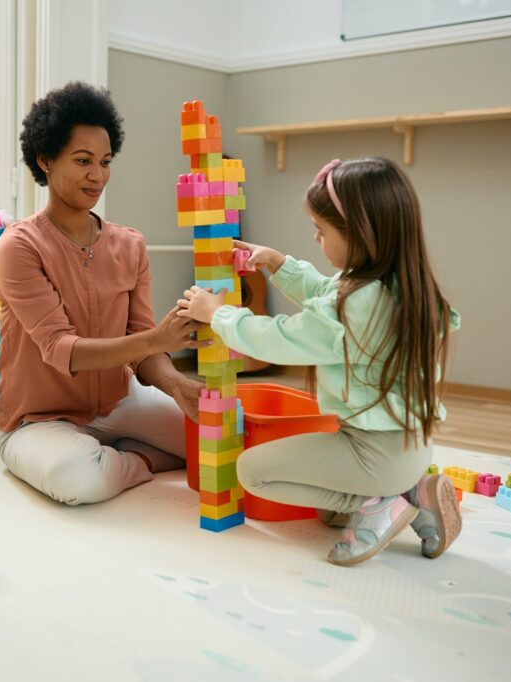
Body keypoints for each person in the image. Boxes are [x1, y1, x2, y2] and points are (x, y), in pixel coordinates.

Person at [178, 157, 461, 566]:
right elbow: (328, 293)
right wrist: (277, 264)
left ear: (359, 234)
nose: (316, 239)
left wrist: (218, 315)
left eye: (320, 231)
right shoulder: (402, 286)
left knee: (252, 472)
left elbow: (279, 339)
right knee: (324, 492)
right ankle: (410, 490)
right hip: (412, 447)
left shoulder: (355, 307)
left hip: (374, 455)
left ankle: (379, 504)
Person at [0, 81, 207, 506]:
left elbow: (145, 350)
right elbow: (62, 349)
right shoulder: (18, 246)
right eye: (83, 161)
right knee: (78, 480)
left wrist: (175, 382)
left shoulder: (130, 245)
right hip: (38, 421)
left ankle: (119, 453)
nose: (98, 175)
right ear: (45, 161)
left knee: (221, 443)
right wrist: (157, 340)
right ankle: (140, 461)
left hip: (120, 402)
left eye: (105, 162)